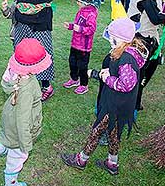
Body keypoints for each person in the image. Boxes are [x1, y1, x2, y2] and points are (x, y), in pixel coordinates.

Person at [60, 18, 146, 175]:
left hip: (114, 105)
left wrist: (107, 79)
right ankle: (112, 164)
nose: (110, 40)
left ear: (119, 38)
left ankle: (81, 159)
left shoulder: (126, 58)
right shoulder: (125, 51)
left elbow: (126, 84)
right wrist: (96, 74)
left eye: (111, 36)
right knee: (113, 133)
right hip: (120, 105)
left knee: (97, 131)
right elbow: (114, 73)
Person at [0, 38, 50, 186]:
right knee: (16, 157)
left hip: (8, 118)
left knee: (7, 141)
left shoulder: (15, 73)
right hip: (19, 128)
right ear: (35, 66)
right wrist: (26, 144)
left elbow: (5, 83)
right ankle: (11, 182)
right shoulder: (28, 89)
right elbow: (23, 120)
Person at [62, 0, 98, 95]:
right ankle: (74, 79)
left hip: (84, 47)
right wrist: (71, 26)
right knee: (72, 62)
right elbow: (77, 25)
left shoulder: (91, 14)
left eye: (79, 1)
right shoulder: (81, 11)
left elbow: (91, 30)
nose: (77, 3)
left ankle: (84, 84)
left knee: (82, 66)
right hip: (75, 44)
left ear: (86, 2)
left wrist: (78, 28)